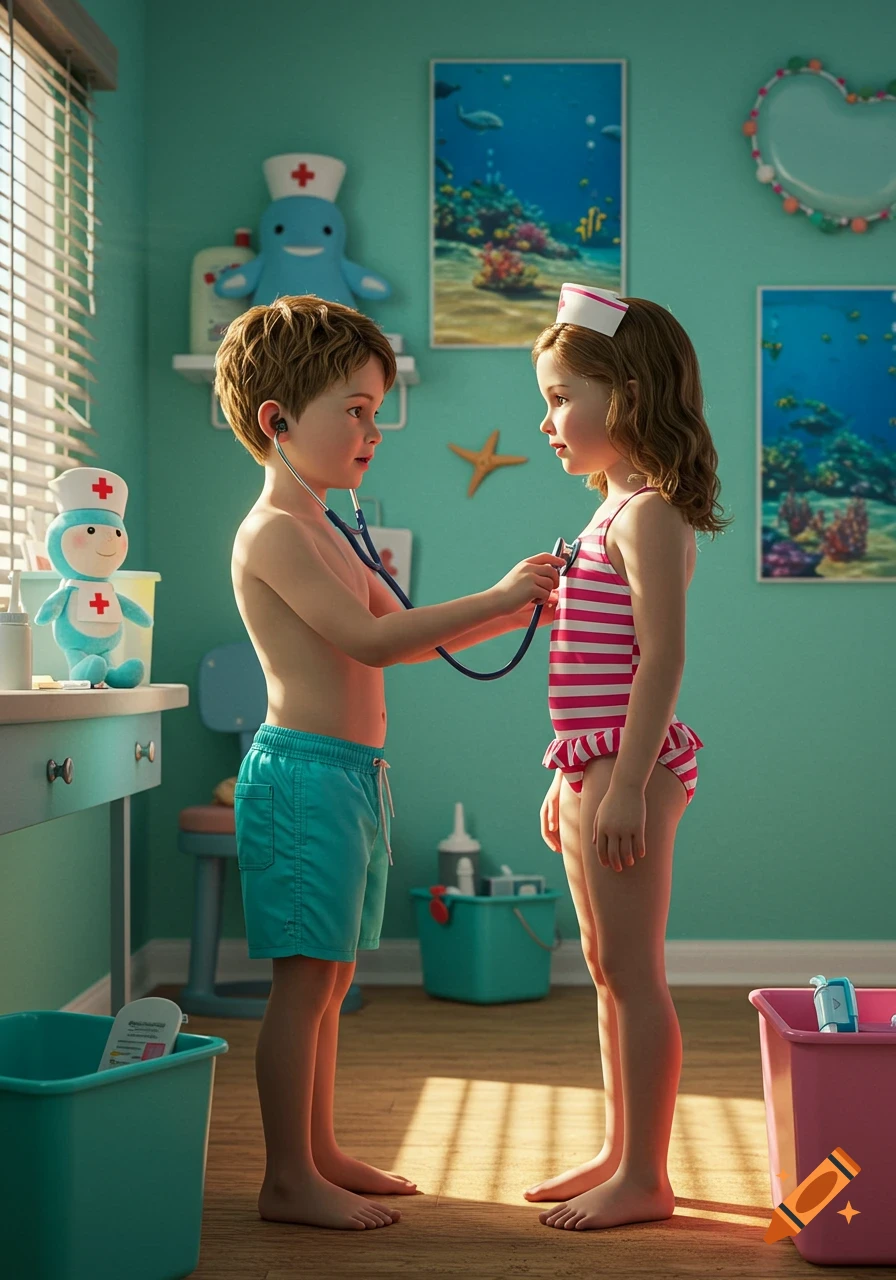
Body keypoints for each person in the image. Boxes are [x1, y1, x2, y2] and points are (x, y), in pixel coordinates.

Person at [215, 294, 564, 1231]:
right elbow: (367, 642)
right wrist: (498, 594)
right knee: (303, 981)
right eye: (354, 411)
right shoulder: (274, 534)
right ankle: (287, 1175)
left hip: (352, 778)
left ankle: (321, 1150)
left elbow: (405, 638)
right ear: (277, 422)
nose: (374, 430)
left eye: (377, 410)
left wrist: (518, 603)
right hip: (302, 778)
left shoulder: (327, 524)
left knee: (331, 977)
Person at [523, 284, 729, 1231]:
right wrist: (569, 776)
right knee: (606, 967)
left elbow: (663, 659)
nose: (549, 418)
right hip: (594, 763)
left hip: (627, 767)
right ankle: (620, 1149)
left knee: (634, 972)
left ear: (630, 395)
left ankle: (647, 1175)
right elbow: (586, 670)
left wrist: (626, 789)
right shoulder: (605, 517)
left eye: (565, 395)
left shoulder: (647, 515)